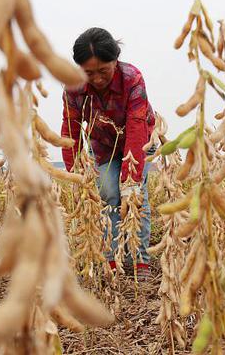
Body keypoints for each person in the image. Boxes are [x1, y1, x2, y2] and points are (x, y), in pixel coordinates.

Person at [61, 27, 156, 282]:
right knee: (107, 193)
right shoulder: (73, 85)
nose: (97, 78)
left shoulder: (132, 78)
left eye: (104, 70)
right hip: (103, 145)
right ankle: (111, 259)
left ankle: (139, 260)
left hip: (140, 141)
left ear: (116, 60)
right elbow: (70, 129)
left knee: (134, 197)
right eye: (89, 73)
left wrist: (131, 181)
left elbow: (136, 128)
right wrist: (76, 177)